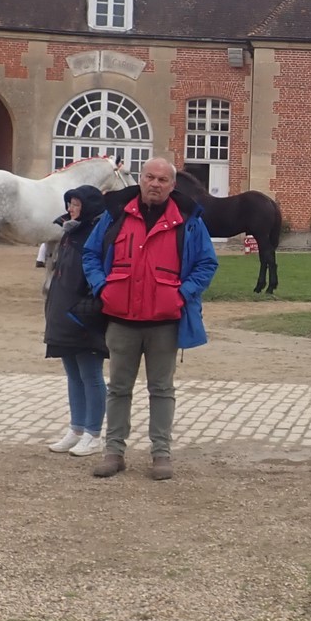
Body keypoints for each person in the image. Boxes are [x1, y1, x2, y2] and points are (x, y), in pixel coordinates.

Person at [82, 157, 218, 481]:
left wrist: (182, 294)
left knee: (162, 390)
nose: (155, 184)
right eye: (150, 177)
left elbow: (206, 264)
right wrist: (103, 287)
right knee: (118, 389)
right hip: (121, 320)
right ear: (140, 179)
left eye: (162, 180)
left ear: (173, 185)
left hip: (164, 323)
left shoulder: (188, 220)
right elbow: (90, 254)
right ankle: (114, 452)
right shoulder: (115, 215)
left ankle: (161, 454)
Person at [45, 184, 108, 458]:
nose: (71, 209)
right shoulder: (69, 231)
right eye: (70, 203)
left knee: (91, 375)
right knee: (73, 374)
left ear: (88, 207)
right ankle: (77, 428)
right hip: (62, 312)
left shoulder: (98, 233)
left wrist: (89, 306)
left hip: (85, 315)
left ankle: (94, 434)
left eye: (76, 204)